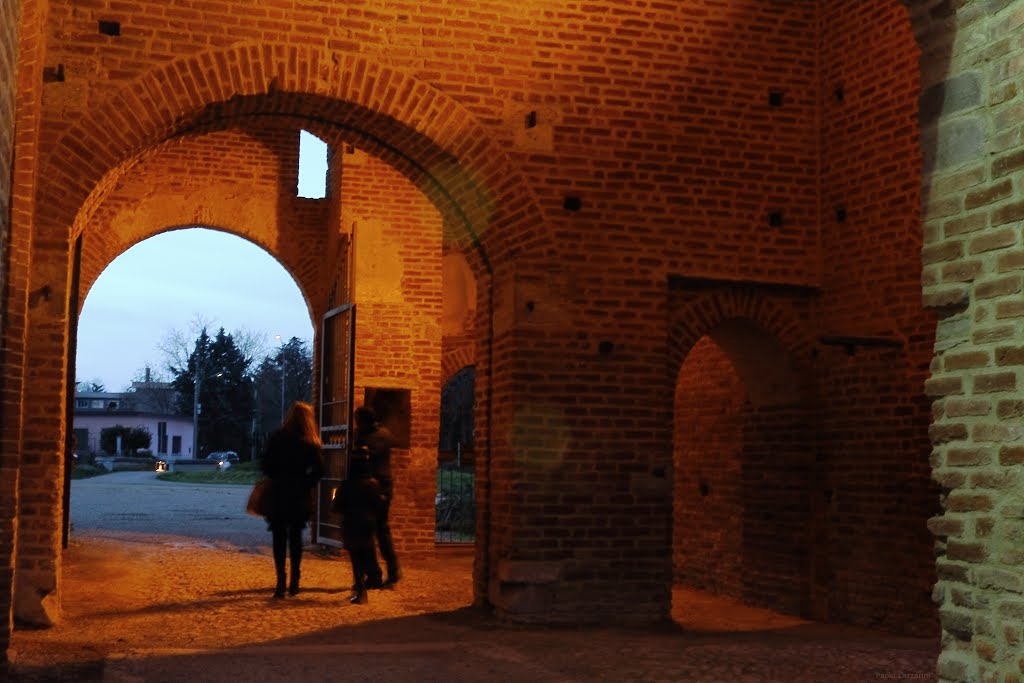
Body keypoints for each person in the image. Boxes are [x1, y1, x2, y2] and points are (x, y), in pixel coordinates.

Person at [261, 401, 324, 598]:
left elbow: (265, 464)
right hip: (299, 493)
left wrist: (276, 476)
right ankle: (295, 581)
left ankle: (281, 580)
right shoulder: (310, 441)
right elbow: (320, 470)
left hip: (279, 491)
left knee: (279, 537)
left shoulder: (278, 437)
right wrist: (307, 482)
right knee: (296, 537)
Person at [353, 406, 400, 588]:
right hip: (370, 487)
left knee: (379, 530)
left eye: (358, 420)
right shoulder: (366, 433)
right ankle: (377, 573)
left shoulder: (380, 436)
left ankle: (383, 572)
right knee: (374, 531)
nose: (356, 424)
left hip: (379, 488)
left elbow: (365, 456)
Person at [334, 447, 386, 604]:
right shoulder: (373, 484)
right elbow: (378, 506)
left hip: (351, 524)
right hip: (367, 524)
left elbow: (337, 507)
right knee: (366, 554)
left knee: (356, 558)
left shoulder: (346, 485)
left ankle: (361, 590)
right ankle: (367, 582)